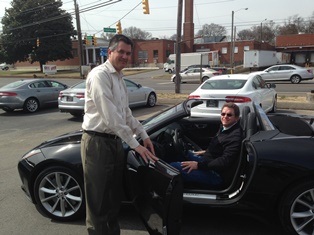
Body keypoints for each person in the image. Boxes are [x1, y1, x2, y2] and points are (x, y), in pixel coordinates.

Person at [81, 34, 158, 235]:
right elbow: (111, 117)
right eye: (121, 52)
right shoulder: (100, 76)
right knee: (98, 203)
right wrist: (135, 145)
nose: (125, 56)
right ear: (110, 52)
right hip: (97, 143)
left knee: (113, 200)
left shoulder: (119, 78)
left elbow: (125, 114)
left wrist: (144, 134)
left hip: (115, 143)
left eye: (128, 53)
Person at [170, 102, 243, 188]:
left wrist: (198, 165)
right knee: (185, 153)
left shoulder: (235, 136)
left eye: (229, 115)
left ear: (236, 118)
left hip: (217, 174)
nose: (225, 116)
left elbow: (224, 161)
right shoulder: (225, 128)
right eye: (223, 114)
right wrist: (204, 152)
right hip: (208, 162)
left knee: (172, 167)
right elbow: (220, 148)